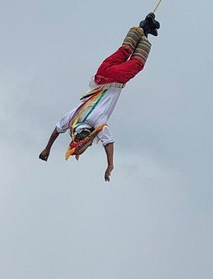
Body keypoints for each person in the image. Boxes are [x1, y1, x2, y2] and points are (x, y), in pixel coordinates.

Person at [39, 14, 160, 181]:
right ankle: (144, 26)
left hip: (115, 79)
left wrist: (110, 165)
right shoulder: (74, 117)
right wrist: (47, 149)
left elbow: (108, 142)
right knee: (125, 50)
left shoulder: (97, 123)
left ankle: (146, 30)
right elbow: (57, 129)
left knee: (138, 62)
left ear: (86, 138)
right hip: (101, 75)